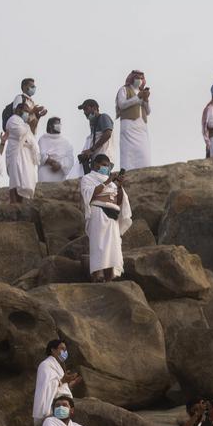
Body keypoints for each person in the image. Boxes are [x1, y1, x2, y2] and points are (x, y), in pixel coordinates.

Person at [79, 154, 132, 283]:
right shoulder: (88, 178)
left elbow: (119, 201)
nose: (106, 168)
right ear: (96, 165)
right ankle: (96, 278)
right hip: (98, 213)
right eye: (104, 165)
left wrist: (119, 186)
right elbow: (90, 195)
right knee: (98, 246)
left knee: (112, 249)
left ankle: (109, 281)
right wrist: (108, 181)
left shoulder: (113, 184)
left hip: (112, 216)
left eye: (108, 166)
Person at [34, 339, 81, 426]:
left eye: (66, 350)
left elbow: (59, 387)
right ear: (53, 350)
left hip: (65, 406)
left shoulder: (58, 367)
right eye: (62, 349)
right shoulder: (46, 365)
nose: (65, 352)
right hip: (54, 406)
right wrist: (63, 380)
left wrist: (71, 383)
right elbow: (46, 387)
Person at [116, 70, 152, 170]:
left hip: (142, 128)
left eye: (141, 78)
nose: (139, 80)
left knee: (144, 153)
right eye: (137, 78)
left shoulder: (142, 91)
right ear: (132, 78)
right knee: (128, 153)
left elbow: (148, 111)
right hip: (129, 126)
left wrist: (146, 100)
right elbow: (122, 104)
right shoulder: (124, 89)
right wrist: (137, 97)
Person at [4, 102, 39, 204]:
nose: (27, 114)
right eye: (26, 112)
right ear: (19, 110)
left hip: (25, 154)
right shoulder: (12, 120)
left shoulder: (24, 123)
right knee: (15, 179)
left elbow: (31, 134)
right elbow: (19, 133)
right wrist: (28, 126)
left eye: (28, 112)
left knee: (24, 179)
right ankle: (13, 204)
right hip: (16, 153)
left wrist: (35, 118)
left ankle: (20, 203)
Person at [37, 117, 76, 182]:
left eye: (60, 124)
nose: (59, 126)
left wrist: (60, 164)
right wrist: (50, 161)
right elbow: (39, 155)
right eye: (57, 124)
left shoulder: (66, 142)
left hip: (59, 176)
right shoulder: (43, 139)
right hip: (45, 175)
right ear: (50, 126)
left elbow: (70, 158)